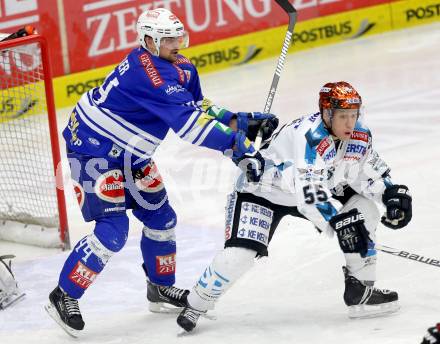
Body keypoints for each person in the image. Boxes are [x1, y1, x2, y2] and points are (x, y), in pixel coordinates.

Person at [44, 8, 278, 337]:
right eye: (167, 39)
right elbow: (189, 127)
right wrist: (238, 146)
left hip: (134, 155)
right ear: (148, 41)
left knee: (162, 219)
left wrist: (240, 119)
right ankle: (63, 295)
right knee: (113, 231)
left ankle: (159, 289)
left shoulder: (180, 66)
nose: (176, 44)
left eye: (178, 37)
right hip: (93, 150)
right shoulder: (147, 73)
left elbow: (197, 106)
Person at [176, 81, 413, 332]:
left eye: (353, 115)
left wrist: (390, 193)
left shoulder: (359, 134)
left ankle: (360, 289)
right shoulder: (309, 137)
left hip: (318, 186)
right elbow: (309, 194)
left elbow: (366, 170)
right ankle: (196, 304)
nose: (349, 123)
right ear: (327, 114)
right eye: (343, 116)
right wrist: (339, 224)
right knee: (238, 257)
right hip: (263, 192)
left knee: (366, 209)